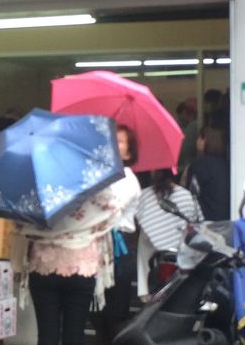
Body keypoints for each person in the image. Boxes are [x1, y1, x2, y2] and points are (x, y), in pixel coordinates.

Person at [11, 125, 140, 345]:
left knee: (47, 335)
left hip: (43, 263)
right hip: (82, 263)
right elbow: (109, 214)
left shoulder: (47, 181)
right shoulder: (95, 183)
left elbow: (20, 221)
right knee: (74, 334)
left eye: (119, 142)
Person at [92, 124, 142, 344]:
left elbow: (110, 209)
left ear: (129, 153)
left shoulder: (128, 178)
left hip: (120, 245)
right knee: (98, 310)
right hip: (99, 245)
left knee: (114, 310)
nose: (114, 143)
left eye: (120, 141)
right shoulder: (103, 175)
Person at [135, 168, 201, 300]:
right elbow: (196, 219)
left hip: (154, 241)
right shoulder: (185, 194)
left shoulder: (144, 195)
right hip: (179, 241)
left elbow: (138, 218)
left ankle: (143, 291)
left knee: (143, 245)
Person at [182, 125, 230, 221]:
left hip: (206, 221)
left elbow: (190, 195)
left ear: (205, 141)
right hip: (227, 219)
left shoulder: (198, 165)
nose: (197, 141)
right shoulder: (227, 164)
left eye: (199, 138)